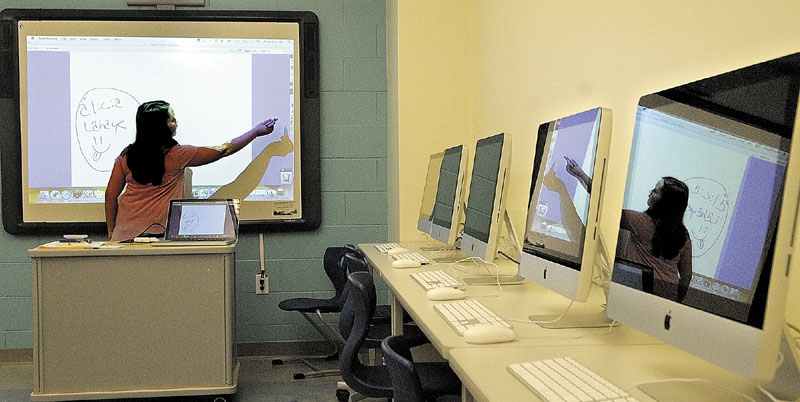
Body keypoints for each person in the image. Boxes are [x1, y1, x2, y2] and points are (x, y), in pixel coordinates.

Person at [105, 100, 290, 241]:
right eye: (171, 118)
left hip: (123, 237)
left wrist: (111, 231)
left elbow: (110, 195)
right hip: (159, 236)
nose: (176, 121)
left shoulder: (126, 155)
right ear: (161, 126)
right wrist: (256, 132)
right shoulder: (178, 154)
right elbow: (224, 149)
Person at [564, 161, 693, 302]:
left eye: (656, 191)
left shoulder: (640, 222)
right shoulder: (684, 236)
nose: (651, 192)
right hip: (666, 301)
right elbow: (686, 277)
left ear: (665, 202)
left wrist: (580, 174)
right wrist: (676, 304)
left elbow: (605, 203)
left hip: (637, 297)